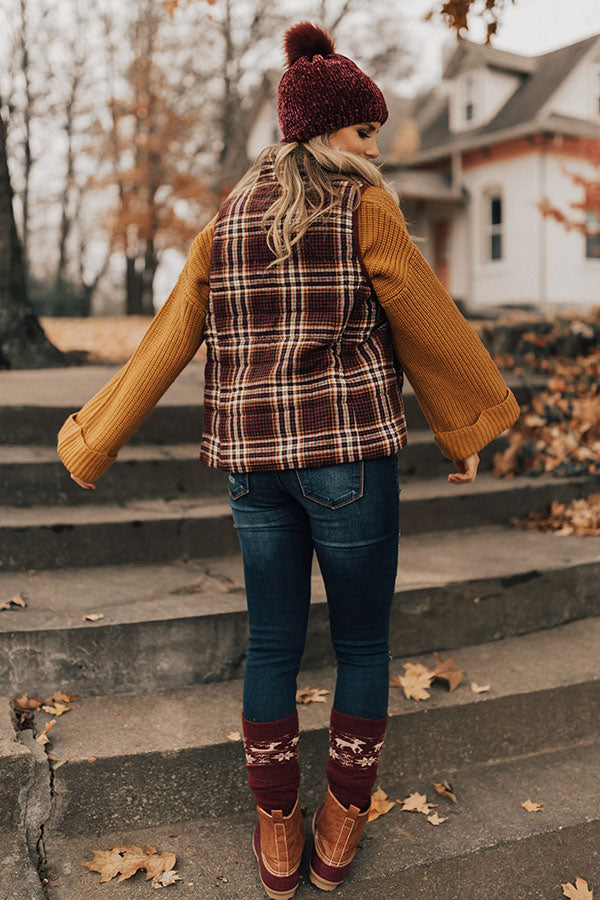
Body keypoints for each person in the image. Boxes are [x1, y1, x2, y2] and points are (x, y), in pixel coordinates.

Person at [57, 20, 521, 899]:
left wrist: (93, 439)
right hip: (346, 461)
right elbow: (427, 320)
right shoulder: (363, 207)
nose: (373, 149)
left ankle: (278, 824)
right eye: (364, 132)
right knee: (359, 643)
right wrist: (465, 427)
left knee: (270, 643)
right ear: (322, 130)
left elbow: (167, 341)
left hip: (254, 472)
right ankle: (341, 812)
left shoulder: (226, 221)